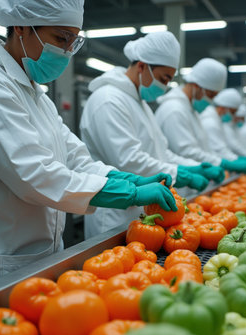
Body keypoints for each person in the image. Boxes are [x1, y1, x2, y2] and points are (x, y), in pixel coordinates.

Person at [0, 0, 177, 301]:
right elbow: (33, 174)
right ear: (21, 27)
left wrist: (127, 179)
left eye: (72, 42)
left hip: (35, 258)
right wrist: (128, 195)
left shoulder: (36, 94)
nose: (65, 52)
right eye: (60, 39)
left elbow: (75, 158)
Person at [80, 32, 222, 238]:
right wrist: (178, 175)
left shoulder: (140, 104)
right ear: (142, 66)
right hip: (113, 216)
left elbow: (161, 152)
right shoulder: (108, 100)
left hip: (144, 213)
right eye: (163, 79)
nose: (164, 87)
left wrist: (191, 168)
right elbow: (129, 160)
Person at [155, 58, 228, 168]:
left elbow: (201, 147)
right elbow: (186, 151)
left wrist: (216, 162)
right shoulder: (174, 110)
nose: (211, 101)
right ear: (197, 86)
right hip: (179, 180)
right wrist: (218, 163)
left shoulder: (190, 110)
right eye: (210, 95)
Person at [199, 88, 246, 174]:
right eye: (233, 112)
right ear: (223, 107)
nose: (233, 116)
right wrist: (234, 161)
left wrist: (237, 159)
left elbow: (223, 148)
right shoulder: (210, 122)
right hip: (208, 167)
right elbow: (218, 150)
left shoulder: (217, 121)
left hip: (214, 164)